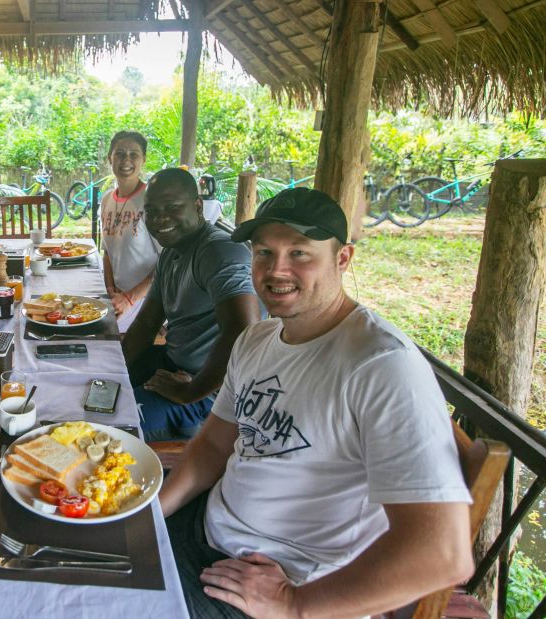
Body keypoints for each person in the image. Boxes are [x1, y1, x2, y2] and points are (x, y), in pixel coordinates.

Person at [160, 187, 472, 618]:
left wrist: (294, 605)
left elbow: (441, 553)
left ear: (342, 259)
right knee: (67, 554)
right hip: (206, 528)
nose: (277, 270)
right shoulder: (257, 339)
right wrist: (152, 512)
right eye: (264, 252)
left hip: (278, 583)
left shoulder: (381, 367)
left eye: (300, 253)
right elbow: (213, 446)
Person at [122, 168, 260, 441]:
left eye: (172, 207)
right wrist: (114, 369)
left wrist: (192, 391)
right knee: (97, 388)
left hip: (211, 392)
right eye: (151, 210)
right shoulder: (171, 251)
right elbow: (147, 322)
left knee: (118, 423)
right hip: (173, 362)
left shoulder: (218, 251)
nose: (160, 218)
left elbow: (244, 330)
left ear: (198, 206)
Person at [99, 131, 161, 332]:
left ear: (143, 159)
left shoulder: (152, 201)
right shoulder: (107, 199)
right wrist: (110, 289)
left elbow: (168, 260)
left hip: (146, 300)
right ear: (110, 158)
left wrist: (129, 298)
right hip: (117, 296)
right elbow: (107, 252)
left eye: (134, 154)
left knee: (97, 334)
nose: (126, 160)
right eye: (120, 154)